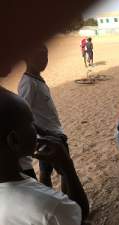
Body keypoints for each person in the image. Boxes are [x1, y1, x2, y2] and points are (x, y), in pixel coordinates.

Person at [0, 88, 89, 225]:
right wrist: (67, 168)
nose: (38, 129)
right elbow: (80, 217)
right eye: (31, 123)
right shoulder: (51, 207)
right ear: (14, 140)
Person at [18, 44, 69, 191]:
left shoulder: (36, 79)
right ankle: (70, 201)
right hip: (49, 136)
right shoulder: (28, 83)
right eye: (39, 56)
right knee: (65, 171)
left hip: (51, 133)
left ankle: (55, 198)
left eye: (46, 55)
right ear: (27, 58)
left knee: (46, 171)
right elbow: (24, 115)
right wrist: (47, 134)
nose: (44, 60)